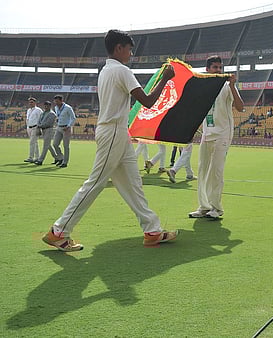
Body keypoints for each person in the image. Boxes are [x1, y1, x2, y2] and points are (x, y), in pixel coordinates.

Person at [42, 29, 178, 251]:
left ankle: (152, 230)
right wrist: (164, 79)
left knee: (133, 184)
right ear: (119, 48)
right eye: (129, 50)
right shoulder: (122, 71)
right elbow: (147, 102)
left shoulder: (106, 71)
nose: (130, 54)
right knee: (95, 183)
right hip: (113, 131)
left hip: (116, 132)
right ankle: (59, 231)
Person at [189, 55, 244, 219]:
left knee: (216, 171)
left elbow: (240, 108)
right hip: (208, 133)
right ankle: (204, 206)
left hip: (223, 133)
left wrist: (233, 86)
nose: (218, 70)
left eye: (220, 68)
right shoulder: (203, 87)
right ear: (208, 70)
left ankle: (216, 208)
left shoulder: (227, 86)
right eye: (215, 67)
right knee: (203, 170)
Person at [51, 94, 76, 168]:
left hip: (66, 128)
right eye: (55, 101)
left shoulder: (68, 108)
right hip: (59, 127)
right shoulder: (56, 108)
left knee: (66, 146)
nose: (56, 103)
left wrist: (68, 126)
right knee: (55, 144)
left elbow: (73, 118)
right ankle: (61, 158)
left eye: (57, 101)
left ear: (61, 101)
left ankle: (65, 162)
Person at [34, 101, 57, 165]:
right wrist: (38, 125)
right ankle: (57, 157)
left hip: (49, 129)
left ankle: (40, 160)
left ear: (50, 106)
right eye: (45, 106)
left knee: (45, 146)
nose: (46, 107)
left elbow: (49, 123)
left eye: (47, 106)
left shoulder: (52, 114)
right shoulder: (43, 113)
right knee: (48, 145)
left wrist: (40, 126)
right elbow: (39, 120)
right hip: (43, 129)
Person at [25, 97, 42, 163]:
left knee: (32, 142)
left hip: (35, 127)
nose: (30, 103)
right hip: (29, 127)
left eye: (32, 102)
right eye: (29, 102)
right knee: (35, 143)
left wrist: (39, 127)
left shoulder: (38, 110)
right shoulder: (28, 110)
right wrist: (27, 126)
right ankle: (37, 157)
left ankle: (31, 157)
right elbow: (27, 118)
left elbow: (41, 118)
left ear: (35, 102)